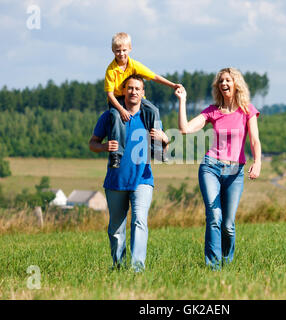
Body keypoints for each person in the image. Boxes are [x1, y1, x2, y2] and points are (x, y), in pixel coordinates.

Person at [175, 67, 262, 270]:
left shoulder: (247, 110)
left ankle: (227, 263)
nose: (224, 84)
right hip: (211, 167)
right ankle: (213, 267)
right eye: (221, 81)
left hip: (235, 172)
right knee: (214, 217)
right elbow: (185, 129)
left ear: (236, 84)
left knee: (228, 225)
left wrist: (257, 162)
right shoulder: (212, 110)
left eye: (228, 81)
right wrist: (182, 100)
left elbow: (255, 140)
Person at [89, 75, 169, 272]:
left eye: (137, 89)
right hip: (116, 180)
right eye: (130, 88)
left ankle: (137, 269)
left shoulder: (149, 117)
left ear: (143, 93)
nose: (133, 92)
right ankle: (117, 266)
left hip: (143, 179)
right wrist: (104, 146)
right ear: (123, 91)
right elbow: (92, 144)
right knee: (116, 228)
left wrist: (165, 140)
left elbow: (160, 155)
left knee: (139, 221)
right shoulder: (109, 116)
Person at [104, 32, 182, 168]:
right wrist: (121, 110)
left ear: (130, 49)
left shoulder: (134, 65)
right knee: (115, 117)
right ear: (113, 51)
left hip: (135, 96)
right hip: (117, 100)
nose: (121, 54)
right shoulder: (111, 70)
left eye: (124, 50)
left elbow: (154, 77)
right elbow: (110, 94)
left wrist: (172, 85)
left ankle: (157, 149)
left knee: (154, 110)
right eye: (117, 51)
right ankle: (116, 155)